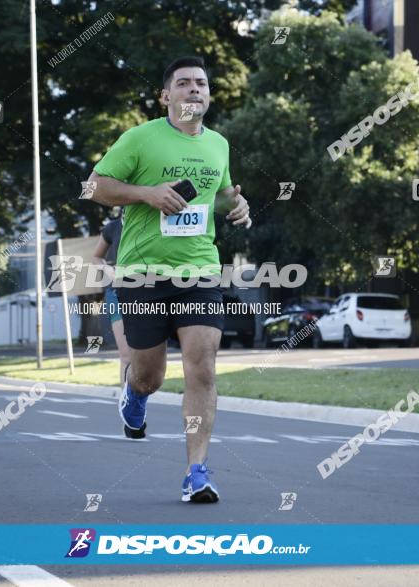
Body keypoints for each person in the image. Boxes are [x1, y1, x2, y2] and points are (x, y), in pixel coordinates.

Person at [84, 56, 251, 503]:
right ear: (166, 95)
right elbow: (94, 186)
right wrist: (145, 194)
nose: (194, 89)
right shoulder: (140, 138)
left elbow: (220, 196)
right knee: (150, 376)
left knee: (202, 366)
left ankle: (196, 470)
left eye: (201, 83)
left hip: (198, 270)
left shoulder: (219, 144)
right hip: (142, 274)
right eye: (184, 83)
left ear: (209, 95)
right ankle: (134, 395)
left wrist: (237, 206)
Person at [91, 210, 131, 384]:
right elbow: (96, 257)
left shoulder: (152, 223)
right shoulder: (112, 228)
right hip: (117, 293)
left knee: (148, 355)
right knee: (127, 354)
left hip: (150, 290)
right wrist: (108, 270)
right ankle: (126, 401)